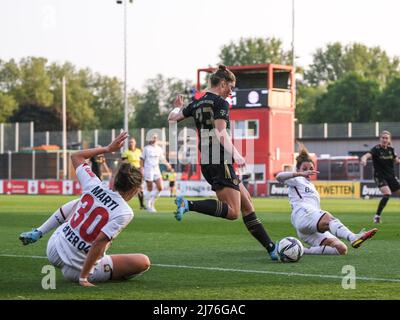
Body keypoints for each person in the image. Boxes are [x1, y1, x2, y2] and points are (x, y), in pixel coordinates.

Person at [168, 65, 278, 261]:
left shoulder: (196, 103)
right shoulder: (220, 103)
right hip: (220, 158)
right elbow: (220, 132)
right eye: (231, 87)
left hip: (208, 159)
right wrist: (236, 154)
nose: (231, 92)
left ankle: (271, 248)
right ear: (223, 83)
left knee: (247, 205)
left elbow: (172, 118)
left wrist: (177, 105)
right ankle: (188, 204)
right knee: (233, 212)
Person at [19, 132, 150, 287]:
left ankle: (39, 232)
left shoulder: (93, 184)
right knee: (143, 261)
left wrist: (108, 148)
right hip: (76, 268)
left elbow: (76, 156)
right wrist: (83, 277)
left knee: (80, 201)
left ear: (114, 180)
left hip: (53, 247)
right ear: (134, 190)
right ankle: (99, 272)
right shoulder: (125, 212)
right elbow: (98, 243)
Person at [276, 145, 378, 255]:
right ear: (298, 170)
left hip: (307, 227)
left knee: (341, 249)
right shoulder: (296, 179)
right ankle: (353, 237)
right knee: (328, 218)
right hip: (302, 215)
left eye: (310, 168)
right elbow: (279, 177)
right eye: (304, 169)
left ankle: (299, 251)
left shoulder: (311, 186)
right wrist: (299, 174)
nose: (308, 171)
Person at [360, 130, 400, 223]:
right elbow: (366, 155)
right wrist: (364, 160)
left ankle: (377, 216)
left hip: (391, 177)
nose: (384, 140)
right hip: (380, 176)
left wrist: (398, 161)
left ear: (389, 140)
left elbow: (396, 160)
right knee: (387, 193)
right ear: (380, 139)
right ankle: (377, 216)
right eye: (383, 138)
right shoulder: (376, 149)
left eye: (386, 138)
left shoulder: (391, 150)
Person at [140, 133, 172, 212]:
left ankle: (151, 202)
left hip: (156, 170)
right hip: (148, 169)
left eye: (155, 138)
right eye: (152, 137)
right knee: (149, 188)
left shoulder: (159, 149)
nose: (154, 139)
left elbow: (162, 159)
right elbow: (141, 159)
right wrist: (141, 168)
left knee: (160, 187)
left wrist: (168, 165)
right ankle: (148, 205)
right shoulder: (146, 148)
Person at [122, 138, 146, 210]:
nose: (131, 143)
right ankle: (124, 204)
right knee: (128, 188)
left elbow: (142, 161)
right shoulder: (126, 152)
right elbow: (124, 162)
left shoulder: (139, 151)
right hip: (130, 171)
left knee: (140, 188)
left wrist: (142, 168)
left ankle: (142, 205)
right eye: (130, 142)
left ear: (135, 143)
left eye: (132, 142)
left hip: (138, 171)